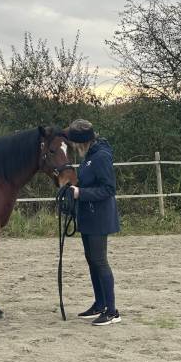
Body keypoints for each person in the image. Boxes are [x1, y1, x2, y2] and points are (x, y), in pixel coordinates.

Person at [67, 119, 121, 326]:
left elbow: (109, 189)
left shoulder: (101, 157)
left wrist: (81, 193)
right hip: (88, 215)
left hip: (99, 216)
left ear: (82, 142)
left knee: (99, 261)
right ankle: (99, 304)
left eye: (74, 143)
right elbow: (90, 180)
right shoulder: (89, 156)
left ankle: (112, 310)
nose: (72, 147)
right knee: (91, 260)